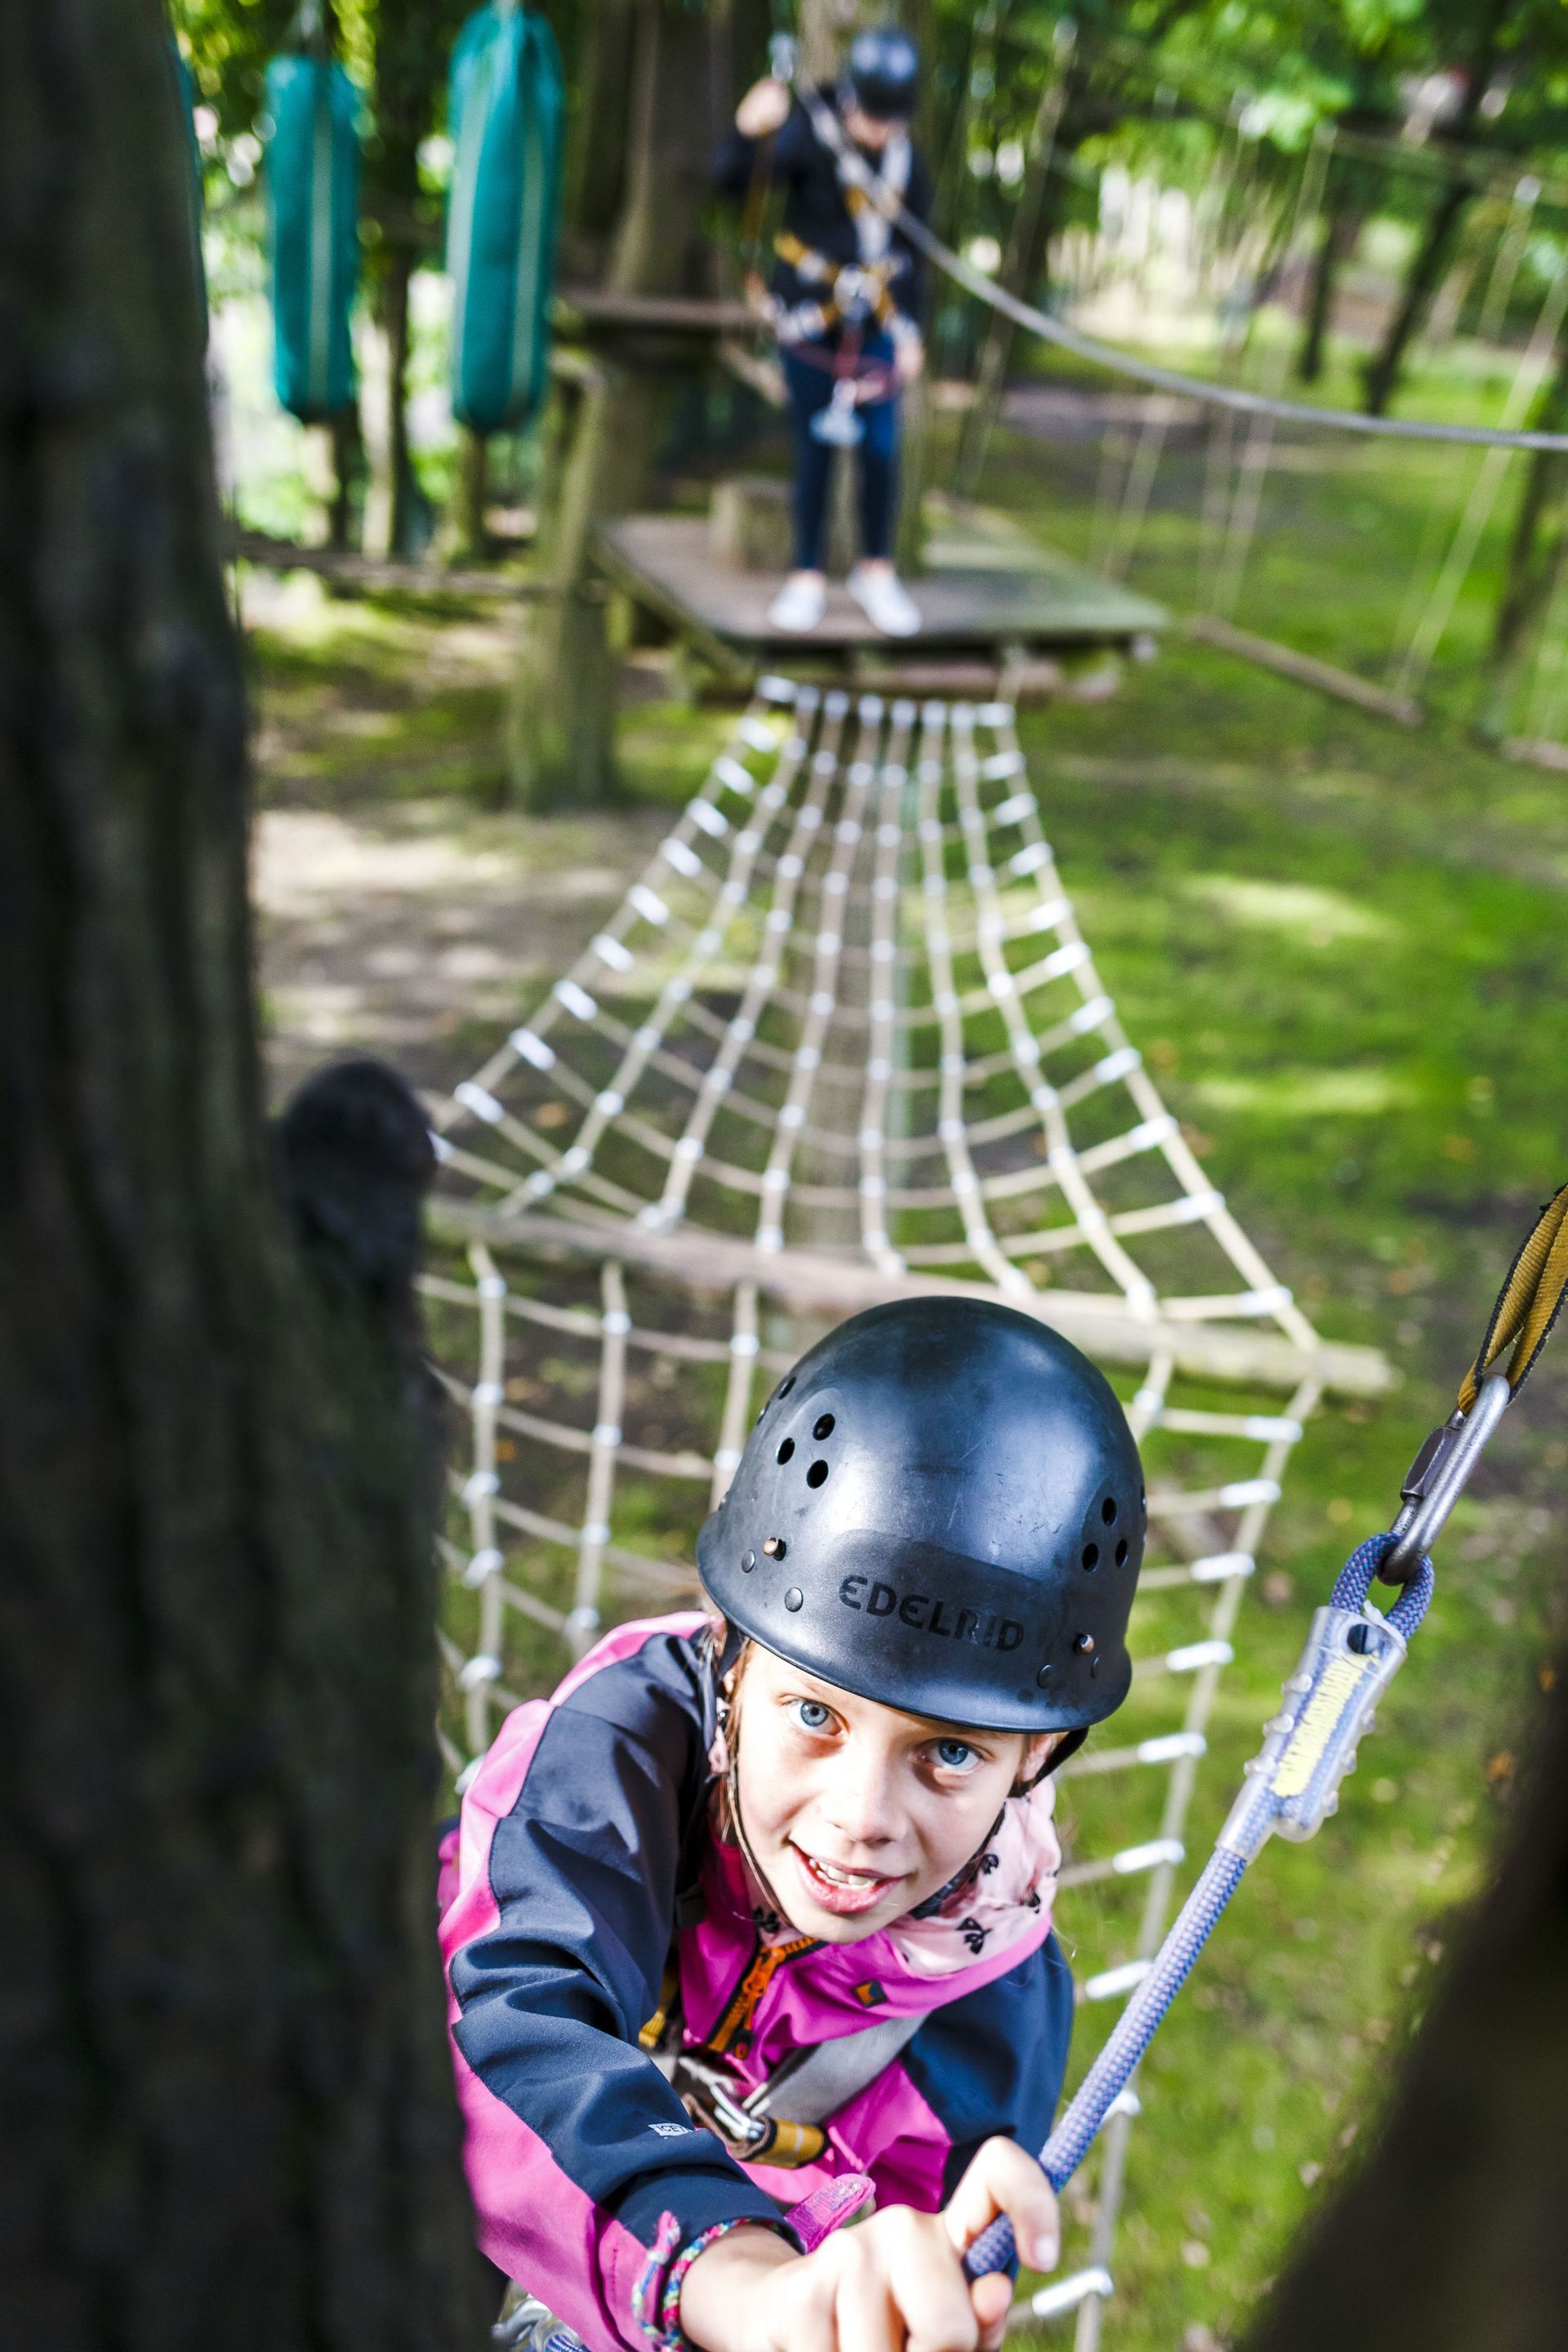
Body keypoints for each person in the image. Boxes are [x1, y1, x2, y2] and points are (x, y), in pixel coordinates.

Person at [439, 1295, 1149, 2352]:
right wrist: (746, 2286)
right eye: (816, 1714)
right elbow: (507, 2031)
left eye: (949, 1753)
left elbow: (900, 2267)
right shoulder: (616, 1759)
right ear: (727, 1656)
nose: (860, 1820)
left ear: (1035, 1758)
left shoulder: (992, 2003)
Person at [714, 30, 933, 639]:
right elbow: (731, 183)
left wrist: (914, 335)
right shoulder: (807, 132)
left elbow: (918, 250)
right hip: (810, 322)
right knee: (814, 452)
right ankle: (806, 574)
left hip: (881, 322)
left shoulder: (906, 159)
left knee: (882, 452)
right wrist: (747, 129)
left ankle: (876, 570)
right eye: (872, 117)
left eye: (892, 121)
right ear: (851, 101)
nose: (881, 131)